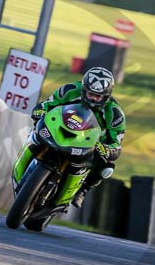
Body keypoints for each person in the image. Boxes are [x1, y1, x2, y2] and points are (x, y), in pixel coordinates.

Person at [23, 67, 126, 209]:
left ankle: (83, 190)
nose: (93, 99)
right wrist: (40, 111)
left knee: (106, 166)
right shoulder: (69, 90)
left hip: (90, 143)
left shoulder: (115, 114)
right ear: (84, 89)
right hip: (61, 129)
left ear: (106, 96)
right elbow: (47, 104)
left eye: (99, 96)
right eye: (90, 94)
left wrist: (107, 150)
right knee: (35, 131)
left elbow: (117, 144)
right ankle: (26, 161)